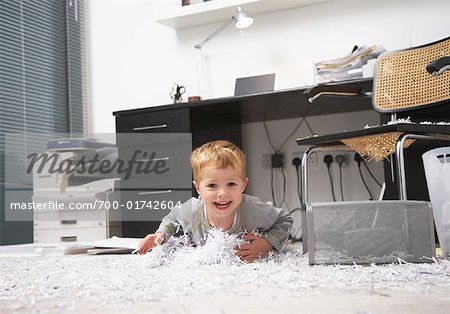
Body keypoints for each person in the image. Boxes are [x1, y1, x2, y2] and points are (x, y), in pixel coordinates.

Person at [138, 140, 293, 262]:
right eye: (212, 185)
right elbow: (172, 218)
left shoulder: (251, 208)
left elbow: (285, 220)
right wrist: (161, 234)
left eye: (231, 184)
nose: (222, 193)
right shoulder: (191, 210)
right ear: (198, 188)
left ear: (243, 185)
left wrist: (266, 244)